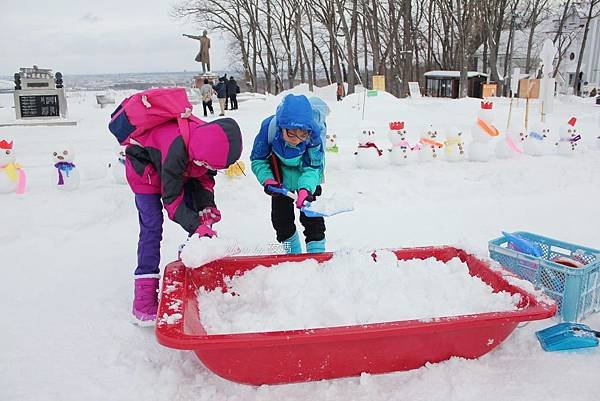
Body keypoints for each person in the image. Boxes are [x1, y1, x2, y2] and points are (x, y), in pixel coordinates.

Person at [125, 117, 242, 326]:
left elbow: (205, 178)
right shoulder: (176, 149)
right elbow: (171, 201)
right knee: (152, 226)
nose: (210, 167)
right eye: (207, 164)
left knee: (199, 215)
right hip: (145, 168)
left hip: (180, 168)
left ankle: (193, 263)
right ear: (200, 155)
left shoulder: (206, 147)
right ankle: (143, 298)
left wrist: (207, 208)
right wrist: (196, 225)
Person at [250, 94, 326, 254]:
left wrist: (306, 189)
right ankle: (292, 256)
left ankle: (317, 256)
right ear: (281, 127)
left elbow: (313, 167)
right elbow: (258, 159)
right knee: (281, 221)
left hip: (307, 178)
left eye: (302, 135)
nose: (297, 139)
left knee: (313, 219)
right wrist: (268, 180)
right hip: (280, 180)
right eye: (291, 134)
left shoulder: (313, 136)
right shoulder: (269, 129)